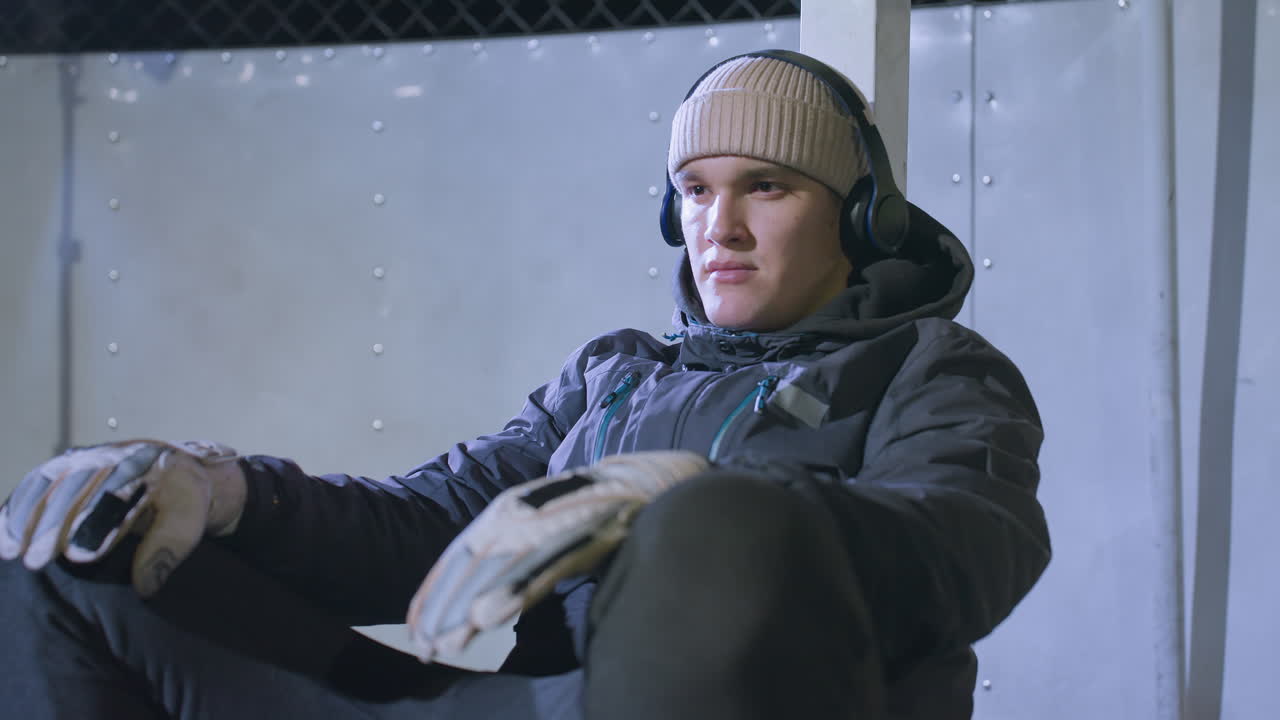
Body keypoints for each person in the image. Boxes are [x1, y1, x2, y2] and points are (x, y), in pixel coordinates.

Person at [0, 49, 1050, 720]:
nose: (716, 228)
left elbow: (964, 542)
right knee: (67, 549)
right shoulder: (613, 375)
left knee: (714, 530)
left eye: (763, 188)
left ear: (856, 216)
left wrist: (697, 501)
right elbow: (424, 525)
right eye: (692, 191)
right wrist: (222, 489)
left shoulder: (932, 371)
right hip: (522, 708)